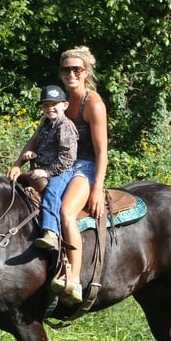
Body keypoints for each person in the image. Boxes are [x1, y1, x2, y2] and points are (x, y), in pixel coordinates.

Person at [54, 46, 108, 304]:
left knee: (66, 212)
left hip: (85, 167)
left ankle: (74, 278)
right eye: (66, 69)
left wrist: (97, 188)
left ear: (85, 71)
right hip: (62, 164)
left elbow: (102, 152)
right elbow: (40, 132)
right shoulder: (63, 101)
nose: (71, 74)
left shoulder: (93, 103)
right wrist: (21, 161)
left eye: (76, 69)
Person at [7, 85, 78, 254]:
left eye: (54, 104)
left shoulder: (65, 127)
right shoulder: (45, 124)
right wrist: (33, 154)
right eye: (46, 105)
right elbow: (41, 144)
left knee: (52, 193)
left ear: (64, 105)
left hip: (61, 170)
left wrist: (47, 172)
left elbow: (68, 157)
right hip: (43, 166)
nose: (50, 108)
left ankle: (51, 232)